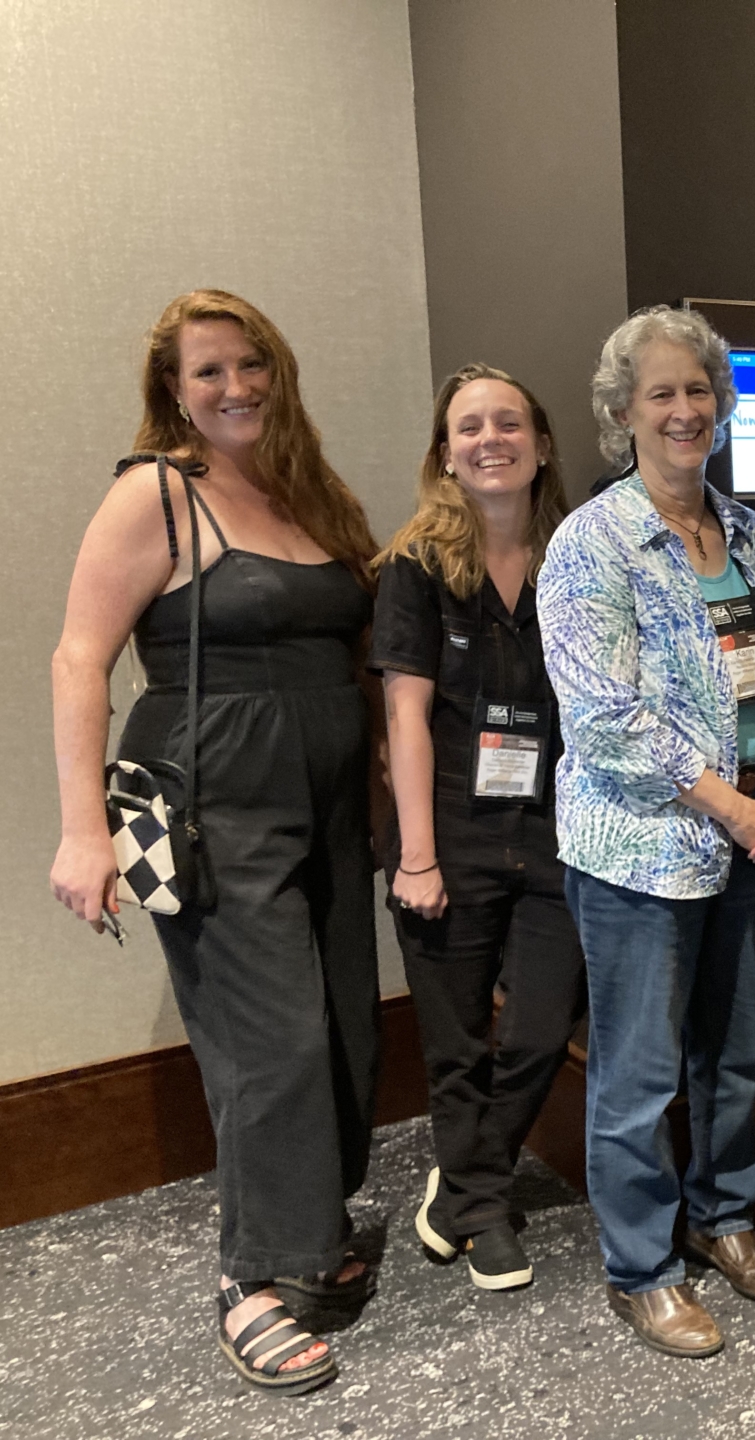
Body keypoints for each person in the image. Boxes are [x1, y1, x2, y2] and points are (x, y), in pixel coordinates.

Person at [49, 290, 381, 1392]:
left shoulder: (307, 490)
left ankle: (311, 1229)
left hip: (330, 797)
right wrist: (82, 831)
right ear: (172, 390)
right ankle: (252, 1277)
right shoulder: (156, 491)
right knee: (268, 1039)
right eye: (208, 372)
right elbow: (78, 658)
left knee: (336, 1024)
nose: (235, 387)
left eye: (252, 365)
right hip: (214, 793)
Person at [538, 306, 755, 1359]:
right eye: (661, 393)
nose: (685, 408)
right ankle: (642, 1268)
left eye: (699, 390)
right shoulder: (591, 543)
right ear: (623, 414)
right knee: (639, 1074)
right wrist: (734, 803)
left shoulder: (750, 534)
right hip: (642, 854)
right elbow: (607, 721)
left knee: (735, 1055)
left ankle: (725, 1214)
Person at [370, 364, 585, 1292]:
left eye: (508, 423)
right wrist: (417, 855)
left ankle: (459, 1181)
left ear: (540, 445)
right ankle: (486, 1209)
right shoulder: (416, 566)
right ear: (445, 455)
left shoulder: (579, 556)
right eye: (469, 428)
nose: (489, 439)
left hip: (552, 828)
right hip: (447, 831)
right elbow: (405, 716)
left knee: (539, 1029)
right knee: (457, 1039)